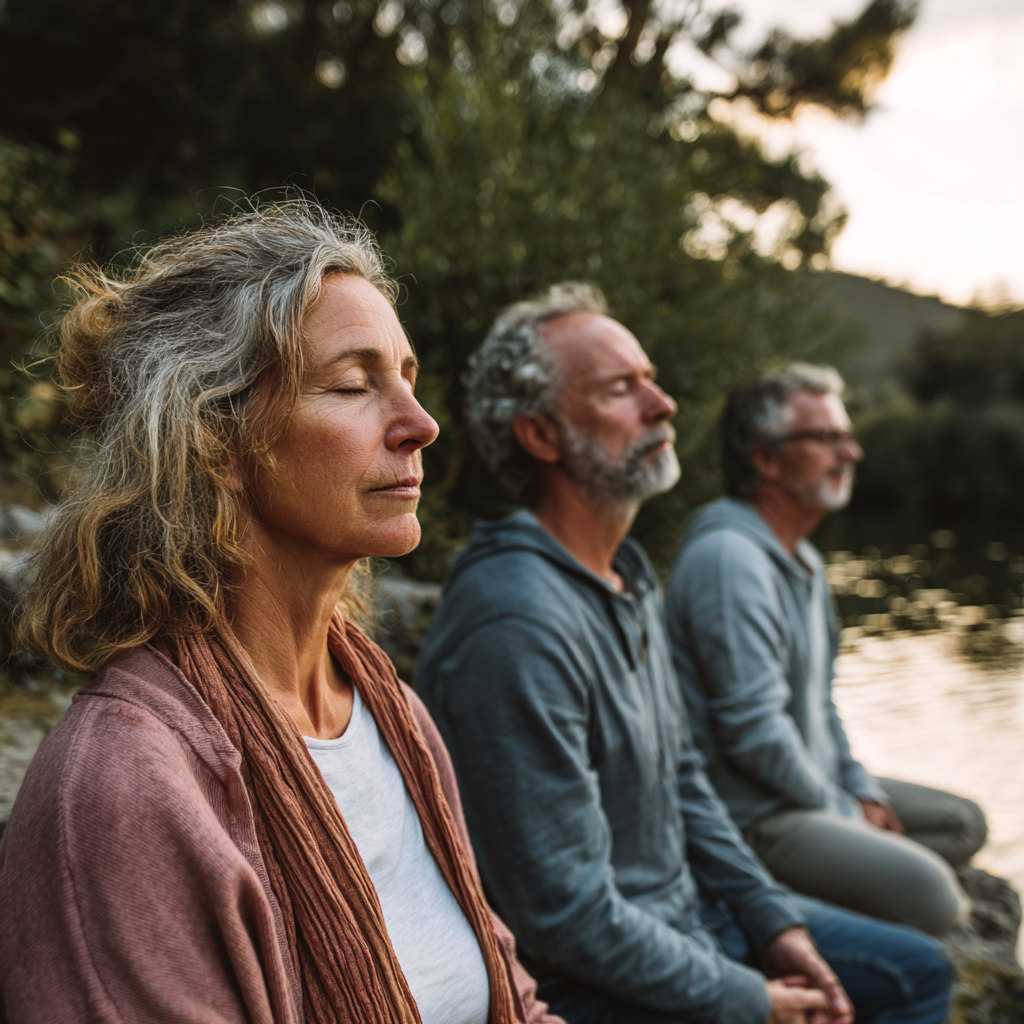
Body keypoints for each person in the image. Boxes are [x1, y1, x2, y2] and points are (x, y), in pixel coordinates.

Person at [0, 203, 560, 1024]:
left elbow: (509, 993)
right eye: (352, 384)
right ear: (215, 442)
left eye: (406, 377)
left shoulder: (393, 715)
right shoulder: (122, 789)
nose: (420, 425)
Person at [415, 283, 954, 1024]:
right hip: (591, 984)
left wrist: (775, 922)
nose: (662, 403)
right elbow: (563, 918)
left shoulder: (627, 574)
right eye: (621, 389)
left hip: (692, 914)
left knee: (917, 970)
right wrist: (749, 999)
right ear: (540, 437)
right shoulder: (515, 621)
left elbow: (685, 778)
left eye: (650, 378)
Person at [666, 363, 988, 935]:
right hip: (756, 813)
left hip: (810, 787)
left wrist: (858, 786)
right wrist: (846, 814)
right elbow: (752, 732)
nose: (850, 453)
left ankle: (851, 869)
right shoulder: (729, 560)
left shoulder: (804, 558)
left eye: (847, 436)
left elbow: (822, 702)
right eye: (826, 439)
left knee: (963, 824)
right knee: (936, 897)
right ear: (765, 460)